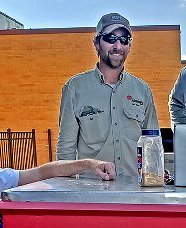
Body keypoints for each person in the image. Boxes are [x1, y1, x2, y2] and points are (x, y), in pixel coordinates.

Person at [56, 13, 159, 177]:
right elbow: (65, 151)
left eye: (124, 40)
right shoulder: (74, 88)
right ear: (96, 43)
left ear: (129, 46)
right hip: (91, 193)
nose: (118, 46)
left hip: (134, 193)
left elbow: (152, 146)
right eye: (111, 38)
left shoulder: (142, 90)